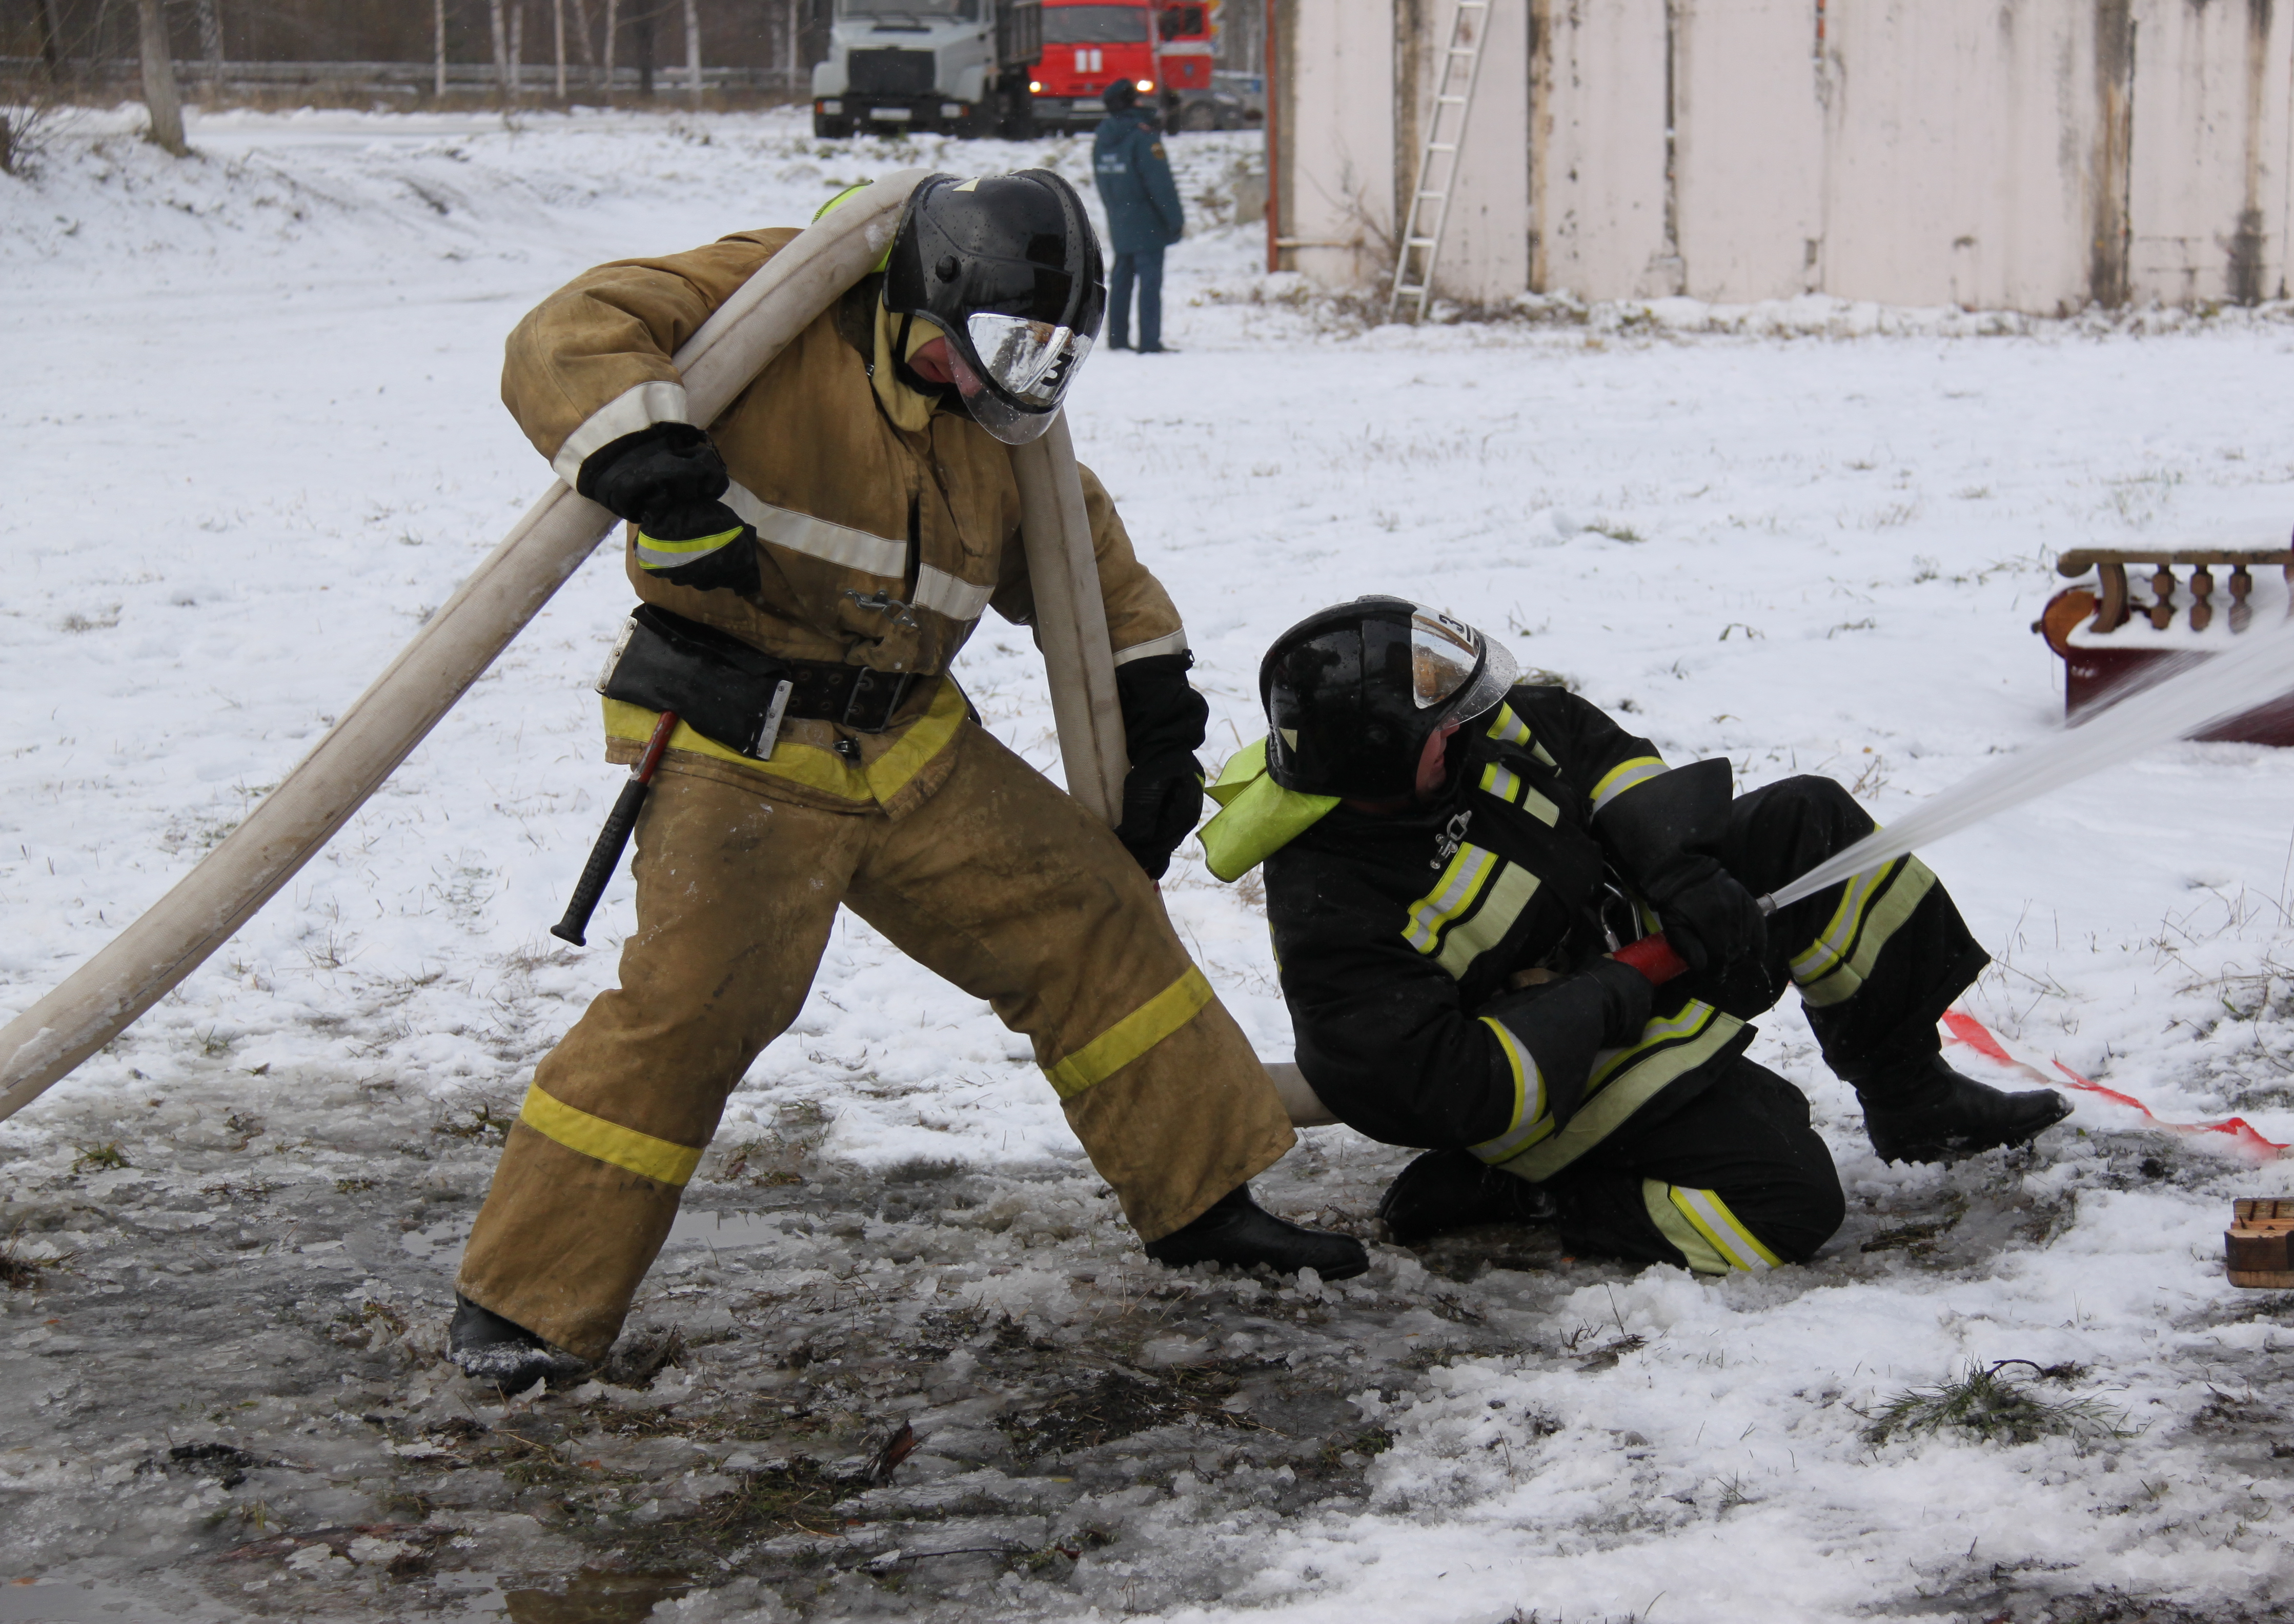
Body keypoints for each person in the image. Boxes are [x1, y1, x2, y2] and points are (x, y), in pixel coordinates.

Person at [446, 173, 1365, 1391]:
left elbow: (1082, 558)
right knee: (697, 1006)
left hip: (910, 736)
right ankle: (521, 1309)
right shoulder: (779, 300)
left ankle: (1201, 1201)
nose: (1014, 381)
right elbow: (565, 334)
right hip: (740, 734)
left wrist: (1152, 710)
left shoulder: (999, 421)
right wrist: (654, 468)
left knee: (1089, 916)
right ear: (929, 292)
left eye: (1046, 356)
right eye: (999, 346)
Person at [1195, 597, 2073, 1275]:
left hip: (1638, 950)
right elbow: (1439, 1085)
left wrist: (1676, 870)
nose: (1465, 726)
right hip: (1548, 1073)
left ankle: (1912, 1097)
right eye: (1439, 728)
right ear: (1381, 760)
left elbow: (1584, 742)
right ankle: (1539, 1192)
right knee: (1787, 1200)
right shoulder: (1332, 914)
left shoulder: (1460, 738)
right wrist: (1626, 982)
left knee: (1812, 823)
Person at [1090, 80, 1185, 354]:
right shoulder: (1143, 138)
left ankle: (1118, 339)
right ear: (1132, 102)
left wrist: (1116, 210)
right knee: (1150, 281)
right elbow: (1160, 184)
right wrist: (1175, 220)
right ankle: (1149, 341)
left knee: (1121, 279)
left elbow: (1103, 181)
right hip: (1148, 222)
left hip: (1120, 217)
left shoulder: (1102, 140)